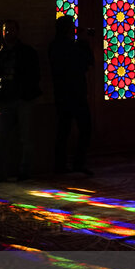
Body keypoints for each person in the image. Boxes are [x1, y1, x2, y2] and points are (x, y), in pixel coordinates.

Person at [0, 18, 40, 181]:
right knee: (0, 138)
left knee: (26, 137)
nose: (8, 33)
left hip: (24, 100)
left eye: (11, 30)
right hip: (4, 101)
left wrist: (26, 93)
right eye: (5, 30)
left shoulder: (27, 52)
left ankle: (24, 171)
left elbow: (35, 75)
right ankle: (1, 172)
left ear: (18, 31)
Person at [48, 15, 93, 175]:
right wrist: (83, 41)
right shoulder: (72, 47)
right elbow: (87, 61)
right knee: (85, 129)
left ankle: (60, 165)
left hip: (62, 95)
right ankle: (78, 164)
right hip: (76, 95)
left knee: (63, 130)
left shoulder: (54, 46)